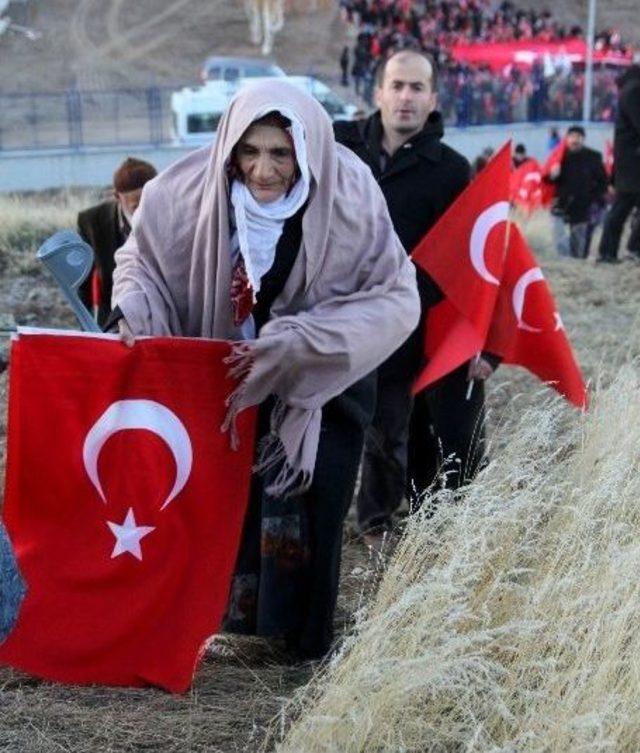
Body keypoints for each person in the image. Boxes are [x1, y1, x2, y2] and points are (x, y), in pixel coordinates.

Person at [111, 79, 419, 659]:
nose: (263, 170)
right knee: (234, 504)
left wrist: (307, 339)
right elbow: (141, 264)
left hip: (324, 380)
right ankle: (240, 625)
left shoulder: (350, 192)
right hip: (230, 381)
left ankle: (303, 641)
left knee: (316, 504)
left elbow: (396, 296)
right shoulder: (186, 191)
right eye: (249, 152)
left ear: (306, 149)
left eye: (280, 152)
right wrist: (133, 310)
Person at [333, 49, 495, 548]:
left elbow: (472, 258)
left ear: (433, 100)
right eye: (397, 85)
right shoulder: (338, 147)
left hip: (411, 319)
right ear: (377, 92)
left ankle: (383, 522)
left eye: (416, 88)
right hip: (338, 309)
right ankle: (339, 516)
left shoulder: (450, 169)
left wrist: (479, 339)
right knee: (342, 422)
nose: (405, 97)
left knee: (397, 425)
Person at [77, 157, 157, 327]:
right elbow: (83, 285)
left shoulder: (173, 213)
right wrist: (86, 328)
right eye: (136, 205)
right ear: (117, 197)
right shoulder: (92, 222)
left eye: (150, 201)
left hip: (160, 311)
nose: (144, 209)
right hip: (113, 317)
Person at [598, 64, 640, 263]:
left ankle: (631, 249)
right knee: (622, 207)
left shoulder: (631, 88)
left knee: (622, 207)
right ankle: (608, 252)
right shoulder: (634, 90)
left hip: (630, 161)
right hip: (633, 163)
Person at [546, 126, 607, 259]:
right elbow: (546, 180)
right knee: (558, 236)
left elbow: (603, 181)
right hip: (560, 202)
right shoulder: (558, 157)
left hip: (583, 204)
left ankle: (576, 262)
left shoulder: (593, 157)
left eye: (578, 137)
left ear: (583, 139)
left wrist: (592, 198)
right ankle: (565, 261)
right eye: (572, 137)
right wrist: (552, 175)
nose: (575, 140)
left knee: (578, 246)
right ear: (567, 139)